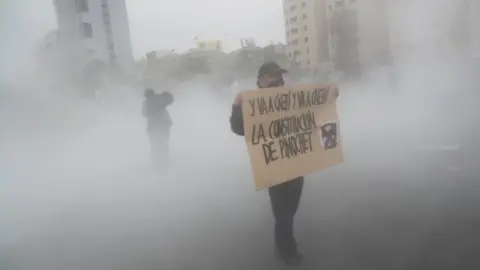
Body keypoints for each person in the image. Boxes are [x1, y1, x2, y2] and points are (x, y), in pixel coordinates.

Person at [229, 62, 304, 266]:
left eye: (279, 76)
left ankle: (284, 245)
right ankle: (287, 251)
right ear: (261, 81)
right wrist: (237, 106)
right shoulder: (252, 103)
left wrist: (330, 97)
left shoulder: (291, 98)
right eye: (272, 77)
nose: (277, 80)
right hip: (273, 167)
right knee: (283, 214)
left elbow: (313, 115)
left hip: (296, 164)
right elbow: (239, 128)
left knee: (290, 210)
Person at [142, 88, 174, 168]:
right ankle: (163, 162)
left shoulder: (146, 103)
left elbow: (144, 113)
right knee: (163, 144)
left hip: (152, 127)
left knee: (155, 145)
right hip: (162, 125)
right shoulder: (156, 99)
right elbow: (170, 99)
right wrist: (165, 94)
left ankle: (156, 162)